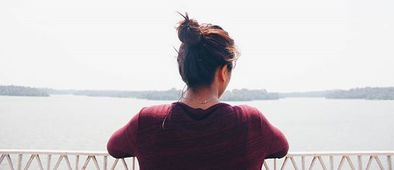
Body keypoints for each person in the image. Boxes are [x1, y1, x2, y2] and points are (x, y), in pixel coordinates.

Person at [107, 12, 289, 170]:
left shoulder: (148, 120)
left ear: (183, 69)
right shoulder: (250, 121)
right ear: (223, 72)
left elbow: (114, 148)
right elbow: (281, 148)